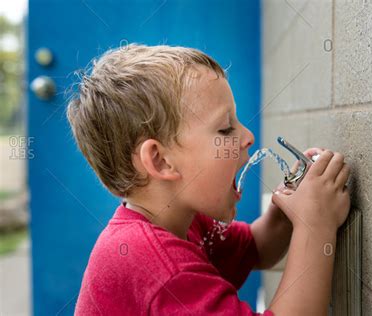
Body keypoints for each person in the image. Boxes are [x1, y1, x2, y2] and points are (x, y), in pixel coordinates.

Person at [67, 44, 351, 315]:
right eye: (226, 129)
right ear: (160, 160)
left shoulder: (184, 221)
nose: (248, 136)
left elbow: (256, 248)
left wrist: (288, 205)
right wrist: (316, 224)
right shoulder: (156, 264)